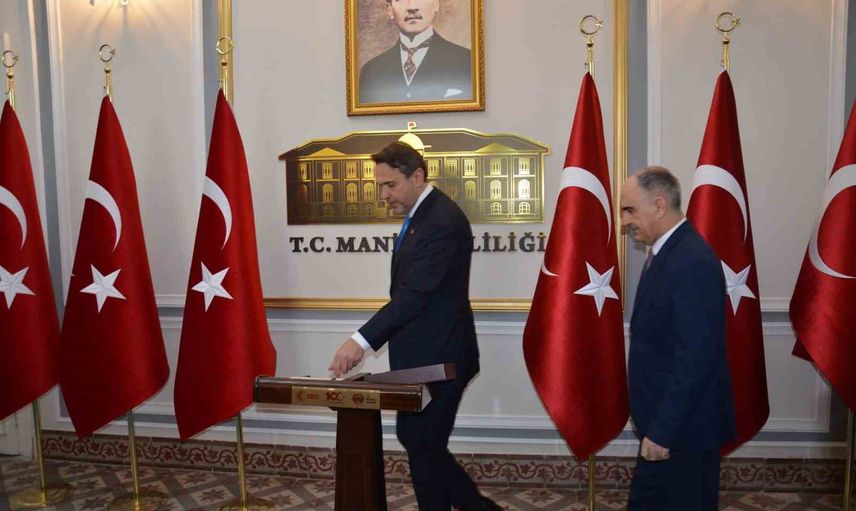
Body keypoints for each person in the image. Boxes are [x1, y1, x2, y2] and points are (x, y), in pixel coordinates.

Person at [328, 142, 499, 511]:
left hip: (442, 360)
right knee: (418, 440)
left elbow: (413, 296)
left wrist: (359, 341)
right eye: (380, 187)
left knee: (423, 445)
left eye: (390, 185)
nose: (384, 195)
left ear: (417, 176)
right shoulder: (423, 216)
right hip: (421, 360)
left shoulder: (441, 221)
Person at [619, 167, 736, 510]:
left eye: (630, 210)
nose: (625, 221)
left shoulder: (691, 260)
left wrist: (663, 431)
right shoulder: (666, 252)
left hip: (683, 432)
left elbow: (695, 359)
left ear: (659, 205)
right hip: (666, 426)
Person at [358, 0, 472, 103]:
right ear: (390, 10)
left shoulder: (467, 61)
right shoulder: (371, 71)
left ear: (436, 5)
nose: (412, 7)